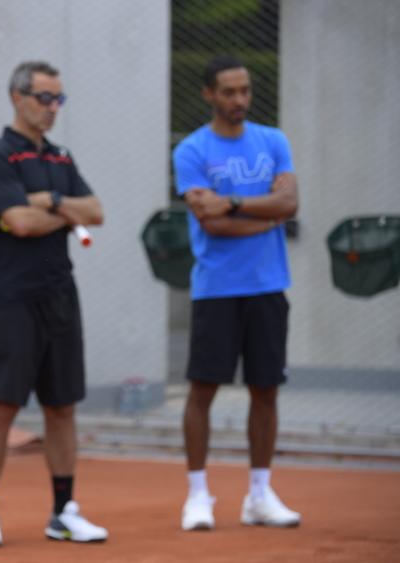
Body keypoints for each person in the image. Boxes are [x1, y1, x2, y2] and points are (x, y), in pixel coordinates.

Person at [0, 61, 107, 548]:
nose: (52, 109)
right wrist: (59, 211)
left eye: (58, 100)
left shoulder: (62, 158)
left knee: (62, 407)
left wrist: (48, 202)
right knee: (2, 406)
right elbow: (17, 223)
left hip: (59, 296)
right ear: (18, 97)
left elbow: (96, 211)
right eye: (44, 98)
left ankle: (64, 511)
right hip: (12, 298)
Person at [173, 55, 301, 531]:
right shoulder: (191, 151)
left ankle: (260, 495)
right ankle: (198, 495)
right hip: (216, 291)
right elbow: (211, 223)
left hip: (269, 287)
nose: (239, 100)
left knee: (265, 389)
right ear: (209, 94)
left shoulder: (273, 140)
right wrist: (265, 215)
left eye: (244, 90)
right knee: (202, 390)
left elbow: (290, 203)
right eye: (228, 92)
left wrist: (234, 201)